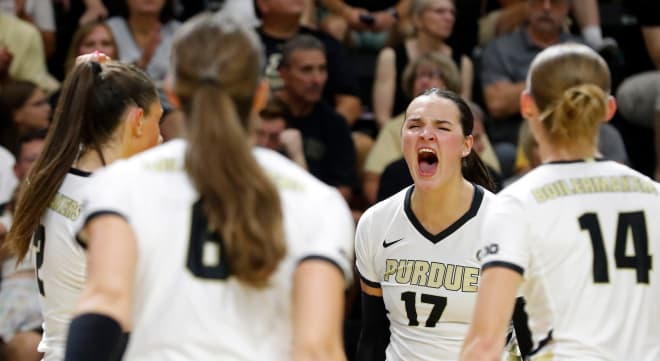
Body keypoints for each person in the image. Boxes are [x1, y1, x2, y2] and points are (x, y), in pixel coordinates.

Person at [63, 12, 354, 361]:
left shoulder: (120, 184)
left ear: (172, 92)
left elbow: (105, 301)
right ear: (261, 94)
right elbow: (316, 349)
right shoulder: (317, 200)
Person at [460, 43, 660, 360]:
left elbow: (485, 344)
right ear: (609, 108)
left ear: (527, 105)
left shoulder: (517, 203)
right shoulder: (653, 196)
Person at [6, 54, 162, 361]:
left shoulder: (51, 177)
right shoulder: (112, 201)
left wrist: (92, 76)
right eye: (158, 122)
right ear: (137, 121)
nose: (161, 137)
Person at [354, 88, 498, 361]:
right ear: (402, 140)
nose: (426, 134)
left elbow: (531, 338)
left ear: (467, 145)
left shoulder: (501, 222)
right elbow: (372, 337)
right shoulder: (376, 223)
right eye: (415, 126)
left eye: (443, 127)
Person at [277, 34, 357, 201]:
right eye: (306, 70)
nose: (317, 79)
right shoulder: (264, 117)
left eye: (322, 69)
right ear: (283, 73)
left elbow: (344, 189)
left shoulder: (335, 124)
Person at [372, 0, 473, 128]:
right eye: (439, 11)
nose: (449, 18)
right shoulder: (390, 57)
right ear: (417, 19)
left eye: (452, 13)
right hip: (398, 135)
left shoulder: (464, 62)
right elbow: (382, 117)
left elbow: (463, 116)